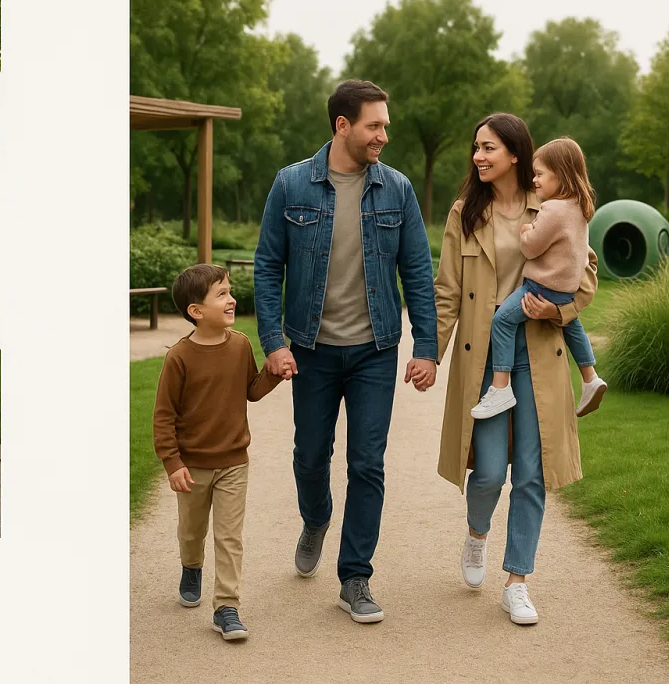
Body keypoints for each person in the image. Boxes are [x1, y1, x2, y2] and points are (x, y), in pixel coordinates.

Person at [253, 79, 438, 624]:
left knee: (367, 463)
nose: (384, 134)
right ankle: (316, 518)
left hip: (375, 351)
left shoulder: (397, 189)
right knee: (310, 457)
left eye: (385, 124)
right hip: (310, 349)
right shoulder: (291, 185)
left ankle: (355, 576)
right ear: (342, 126)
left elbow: (418, 273)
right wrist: (272, 343)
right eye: (374, 125)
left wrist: (424, 346)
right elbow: (268, 265)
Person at [434, 114, 598, 626]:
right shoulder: (464, 213)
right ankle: (477, 534)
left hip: (539, 360)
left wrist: (559, 311)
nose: (479, 156)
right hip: (483, 361)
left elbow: (585, 277)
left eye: (488, 148)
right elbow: (446, 294)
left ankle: (518, 581)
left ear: (514, 153)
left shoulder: (552, 204)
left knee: (530, 475)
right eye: (476, 148)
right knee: (485, 472)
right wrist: (427, 353)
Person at [152, 263, 285, 642]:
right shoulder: (178, 358)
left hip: (233, 463)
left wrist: (275, 373)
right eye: (222, 294)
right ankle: (191, 566)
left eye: (230, 291)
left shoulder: (240, 344)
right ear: (196, 311)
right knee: (192, 531)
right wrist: (172, 463)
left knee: (229, 537)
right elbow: (163, 417)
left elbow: (252, 391)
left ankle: (226, 607)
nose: (233, 299)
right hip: (192, 466)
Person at [471, 137, 607, 420]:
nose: (535, 180)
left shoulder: (553, 209)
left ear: (561, 173)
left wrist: (525, 230)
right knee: (571, 324)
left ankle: (500, 388)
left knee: (502, 322)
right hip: (565, 291)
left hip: (539, 288)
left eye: (540, 174)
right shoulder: (579, 209)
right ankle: (590, 376)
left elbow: (531, 247)